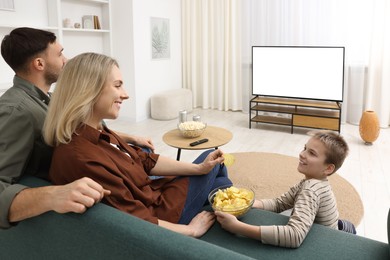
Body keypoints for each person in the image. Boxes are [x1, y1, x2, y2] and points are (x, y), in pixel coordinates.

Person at [43, 52, 232, 238]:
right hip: (163, 214)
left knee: (215, 173)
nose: (125, 95)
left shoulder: (96, 129)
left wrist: (198, 168)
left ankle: (227, 198)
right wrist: (191, 231)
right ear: (89, 90)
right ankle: (231, 202)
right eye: (117, 86)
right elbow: (135, 219)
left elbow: (144, 160)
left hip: (155, 193)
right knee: (217, 168)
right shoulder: (82, 158)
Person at [0, 27, 154, 229]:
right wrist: (53, 194)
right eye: (60, 53)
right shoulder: (16, 111)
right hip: (88, 179)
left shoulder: (50, 99)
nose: (66, 59)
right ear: (39, 63)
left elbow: (79, 130)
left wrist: (130, 138)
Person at [215, 131, 351, 248]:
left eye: (312, 153)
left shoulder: (311, 189)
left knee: (289, 215)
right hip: (330, 226)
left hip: (326, 240)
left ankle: (344, 229)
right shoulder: (311, 181)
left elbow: (295, 236)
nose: (302, 154)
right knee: (289, 211)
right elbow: (279, 203)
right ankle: (343, 226)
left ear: (328, 168)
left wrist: (237, 227)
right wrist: (246, 203)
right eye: (305, 148)